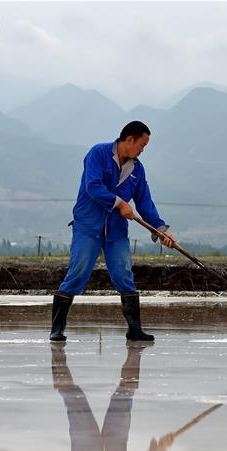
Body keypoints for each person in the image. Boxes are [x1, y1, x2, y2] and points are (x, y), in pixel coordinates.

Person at [49, 121, 176, 342]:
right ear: (129, 140)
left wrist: (161, 229)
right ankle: (57, 329)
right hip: (88, 225)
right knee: (77, 273)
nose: (143, 150)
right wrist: (119, 203)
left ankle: (134, 330)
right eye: (142, 145)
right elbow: (93, 186)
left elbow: (144, 202)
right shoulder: (98, 154)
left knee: (124, 274)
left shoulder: (137, 169)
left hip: (116, 231)